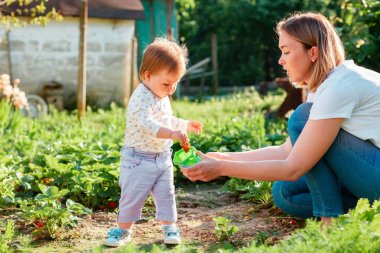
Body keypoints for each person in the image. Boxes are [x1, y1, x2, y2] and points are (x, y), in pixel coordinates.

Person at [182, 12, 380, 226]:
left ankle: (328, 221)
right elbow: (287, 151)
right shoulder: (324, 84)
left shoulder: (339, 87)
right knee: (286, 193)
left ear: (313, 52)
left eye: (286, 51)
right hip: (368, 170)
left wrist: (220, 169)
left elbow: (292, 167)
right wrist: (221, 157)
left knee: (301, 119)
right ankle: (364, 212)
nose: (280, 60)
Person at [104, 37, 203, 247]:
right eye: (167, 83)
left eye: (175, 83)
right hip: (138, 159)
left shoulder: (162, 95)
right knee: (132, 196)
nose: (171, 89)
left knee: (166, 195)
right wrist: (172, 133)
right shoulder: (140, 97)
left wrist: (184, 125)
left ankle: (170, 226)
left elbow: (166, 120)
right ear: (147, 76)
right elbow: (147, 124)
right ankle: (123, 230)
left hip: (162, 158)